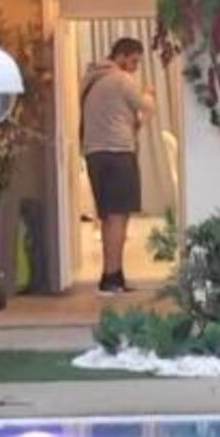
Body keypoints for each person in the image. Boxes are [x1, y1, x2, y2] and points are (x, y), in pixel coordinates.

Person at [80, 37, 155, 295]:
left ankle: (112, 275)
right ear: (121, 56)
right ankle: (112, 277)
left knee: (107, 218)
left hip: (94, 154)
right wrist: (149, 95)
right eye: (133, 61)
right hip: (119, 153)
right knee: (118, 217)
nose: (135, 67)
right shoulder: (121, 80)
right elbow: (145, 106)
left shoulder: (90, 79)